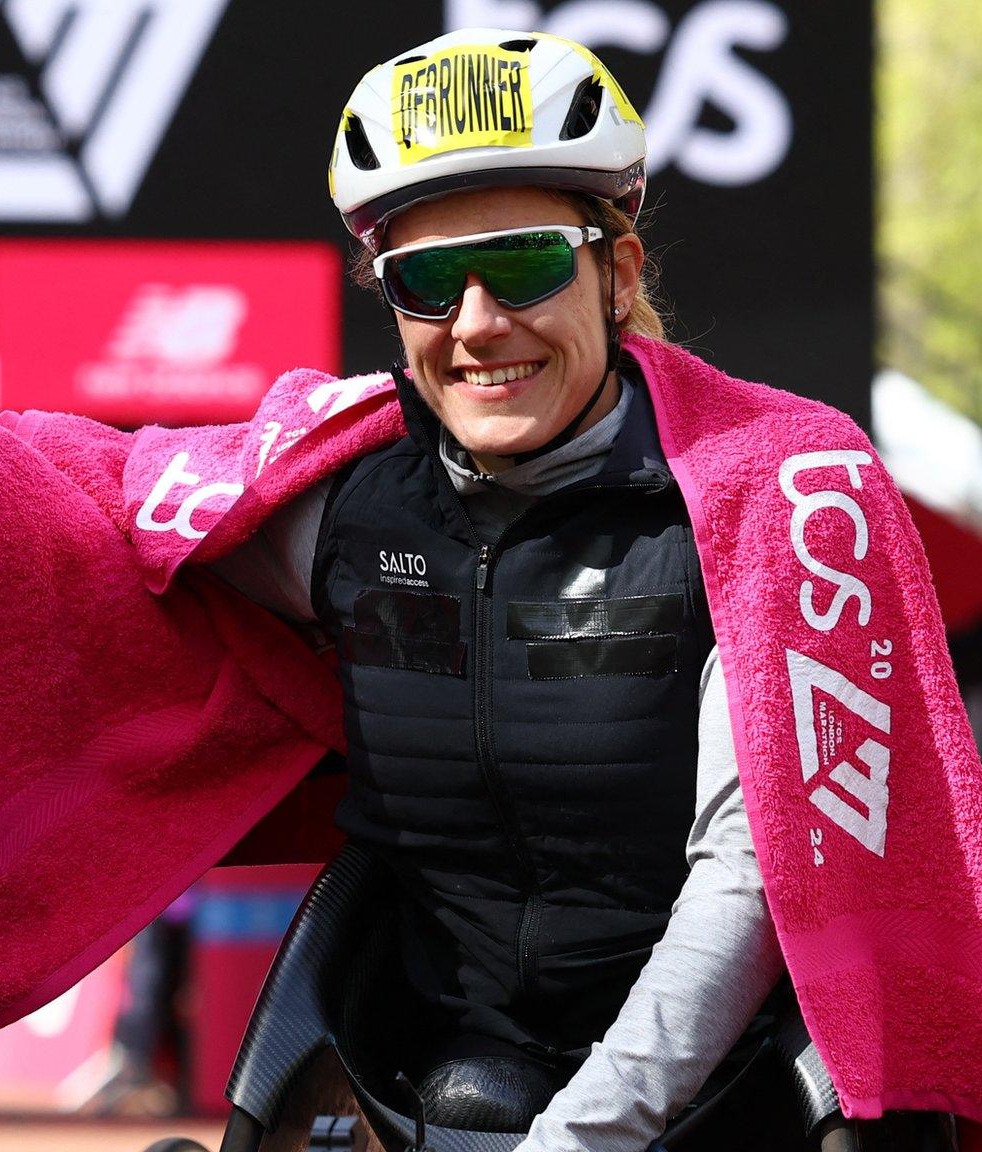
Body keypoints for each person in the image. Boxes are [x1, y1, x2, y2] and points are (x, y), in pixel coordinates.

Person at [211, 29, 782, 1151]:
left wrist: (582, 1135)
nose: (475, 324)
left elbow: (752, 873)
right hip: (426, 1068)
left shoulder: (743, 518)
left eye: (521, 265)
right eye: (425, 280)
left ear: (615, 276)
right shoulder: (338, 514)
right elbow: (77, 529)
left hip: (720, 1087)